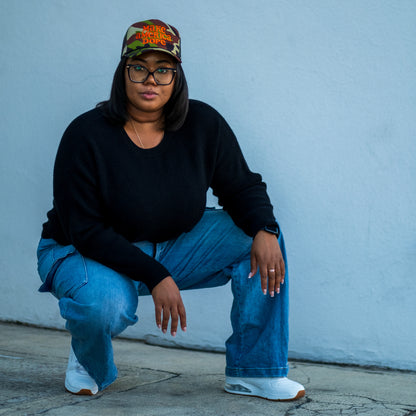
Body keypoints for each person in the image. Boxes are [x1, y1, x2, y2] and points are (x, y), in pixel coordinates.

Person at [36, 19, 305, 401]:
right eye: (139, 68)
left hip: (172, 245)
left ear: (176, 76)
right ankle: (88, 355)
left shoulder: (203, 124)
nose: (151, 80)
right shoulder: (86, 134)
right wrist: (157, 275)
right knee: (104, 305)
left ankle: (255, 370)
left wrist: (265, 227)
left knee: (259, 238)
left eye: (163, 69)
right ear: (123, 73)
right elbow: (85, 229)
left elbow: (242, 186)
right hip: (82, 251)